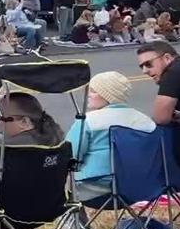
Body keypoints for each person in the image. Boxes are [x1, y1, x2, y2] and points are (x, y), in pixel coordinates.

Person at [65, 71, 155, 203]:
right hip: (138, 188)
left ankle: (76, 223)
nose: (89, 95)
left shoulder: (88, 120)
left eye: (94, 91)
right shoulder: (145, 121)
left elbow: (70, 154)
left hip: (95, 189)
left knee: (60, 180)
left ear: (108, 95)